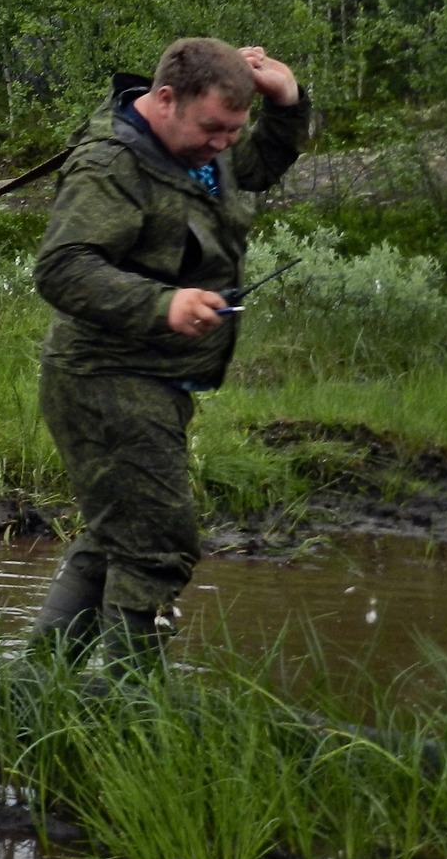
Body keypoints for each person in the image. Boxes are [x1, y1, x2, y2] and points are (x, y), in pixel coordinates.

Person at [29, 37, 309, 665]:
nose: (224, 143)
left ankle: (37, 688)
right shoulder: (111, 165)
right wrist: (165, 304)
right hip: (105, 378)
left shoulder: (206, 149)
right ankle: (131, 707)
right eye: (213, 127)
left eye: (234, 130)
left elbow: (257, 165)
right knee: (157, 545)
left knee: (114, 536)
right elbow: (61, 267)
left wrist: (287, 104)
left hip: (157, 378)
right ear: (164, 100)